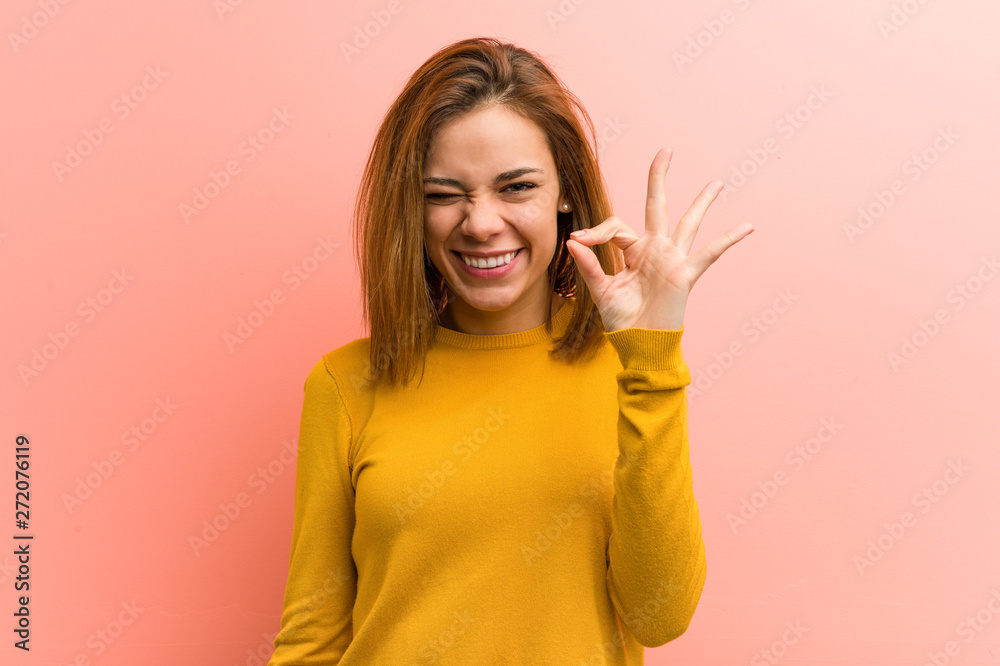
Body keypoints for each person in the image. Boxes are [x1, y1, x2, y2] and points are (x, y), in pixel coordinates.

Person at [266, 36, 753, 665]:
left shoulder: (632, 371)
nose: (480, 223)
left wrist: (651, 356)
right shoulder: (346, 384)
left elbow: (659, 616)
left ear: (565, 192)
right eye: (443, 194)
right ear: (411, 207)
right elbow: (311, 642)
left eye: (516, 187)